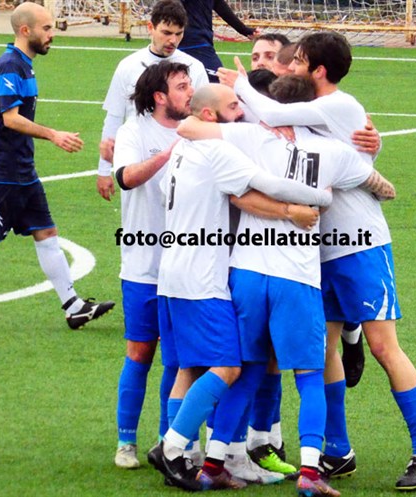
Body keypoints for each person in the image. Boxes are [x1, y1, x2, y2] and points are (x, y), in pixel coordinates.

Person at [225, 33, 416, 490]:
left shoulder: (337, 105)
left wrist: (241, 83)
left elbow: (276, 112)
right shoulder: (305, 110)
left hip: (360, 244)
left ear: (318, 70)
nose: (289, 68)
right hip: (315, 252)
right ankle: (338, 451)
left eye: (297, 62)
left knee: (385, 347)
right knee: (321, 351)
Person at [176, 73, 397, 497]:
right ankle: (311, 475)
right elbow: (381, 187)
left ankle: (211, 463)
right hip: (295, 278)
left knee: (248, 371)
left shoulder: (245, 137)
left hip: (246, 272)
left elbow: (191, 128)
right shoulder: (334, 151)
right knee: (310, 374)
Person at [151, 84, 334, 491]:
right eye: (234, 106)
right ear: (212, 116)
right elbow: (260, 189)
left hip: (172, 273)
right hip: (204, 277)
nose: (242, 111)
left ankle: (196, 457)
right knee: (230, 367)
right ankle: (171, 447)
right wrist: (311, 202)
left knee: (189, 366)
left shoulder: (182, 148)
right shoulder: (218, 149)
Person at [0, 2, 114, 332]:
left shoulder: (25, 65)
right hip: (3, 171)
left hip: (22, 170)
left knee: (47, 233)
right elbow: (11, 119)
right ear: (25, 31)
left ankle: (74, 307)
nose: (52, 34)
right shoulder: (9, 66)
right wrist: (54, 135)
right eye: (47, 29)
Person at [110, 60, 192, 470]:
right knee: (141, 352)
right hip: (143, 264)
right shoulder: (134, 131)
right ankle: (126, 442)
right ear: (160, 96)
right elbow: (125, 177)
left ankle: (166, 440)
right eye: (181, 86)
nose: (189, 92)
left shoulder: (198, 127)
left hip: (187, 268)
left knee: (177, 359)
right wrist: (169, 154)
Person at [96, 0, 209, 202]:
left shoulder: (195, 67)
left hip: (182, 156)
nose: (173, 40)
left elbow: (205, 119)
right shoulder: (128, 66)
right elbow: (114, 116)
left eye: (179, 33)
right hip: (138, 157)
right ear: (150, 27)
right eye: (166, 33)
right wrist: (104, 171)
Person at [178, 0, 259, 82]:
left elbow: (220, 6)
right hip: (184, 46)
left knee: (219, 83)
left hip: (203, 45)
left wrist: (245, 30)